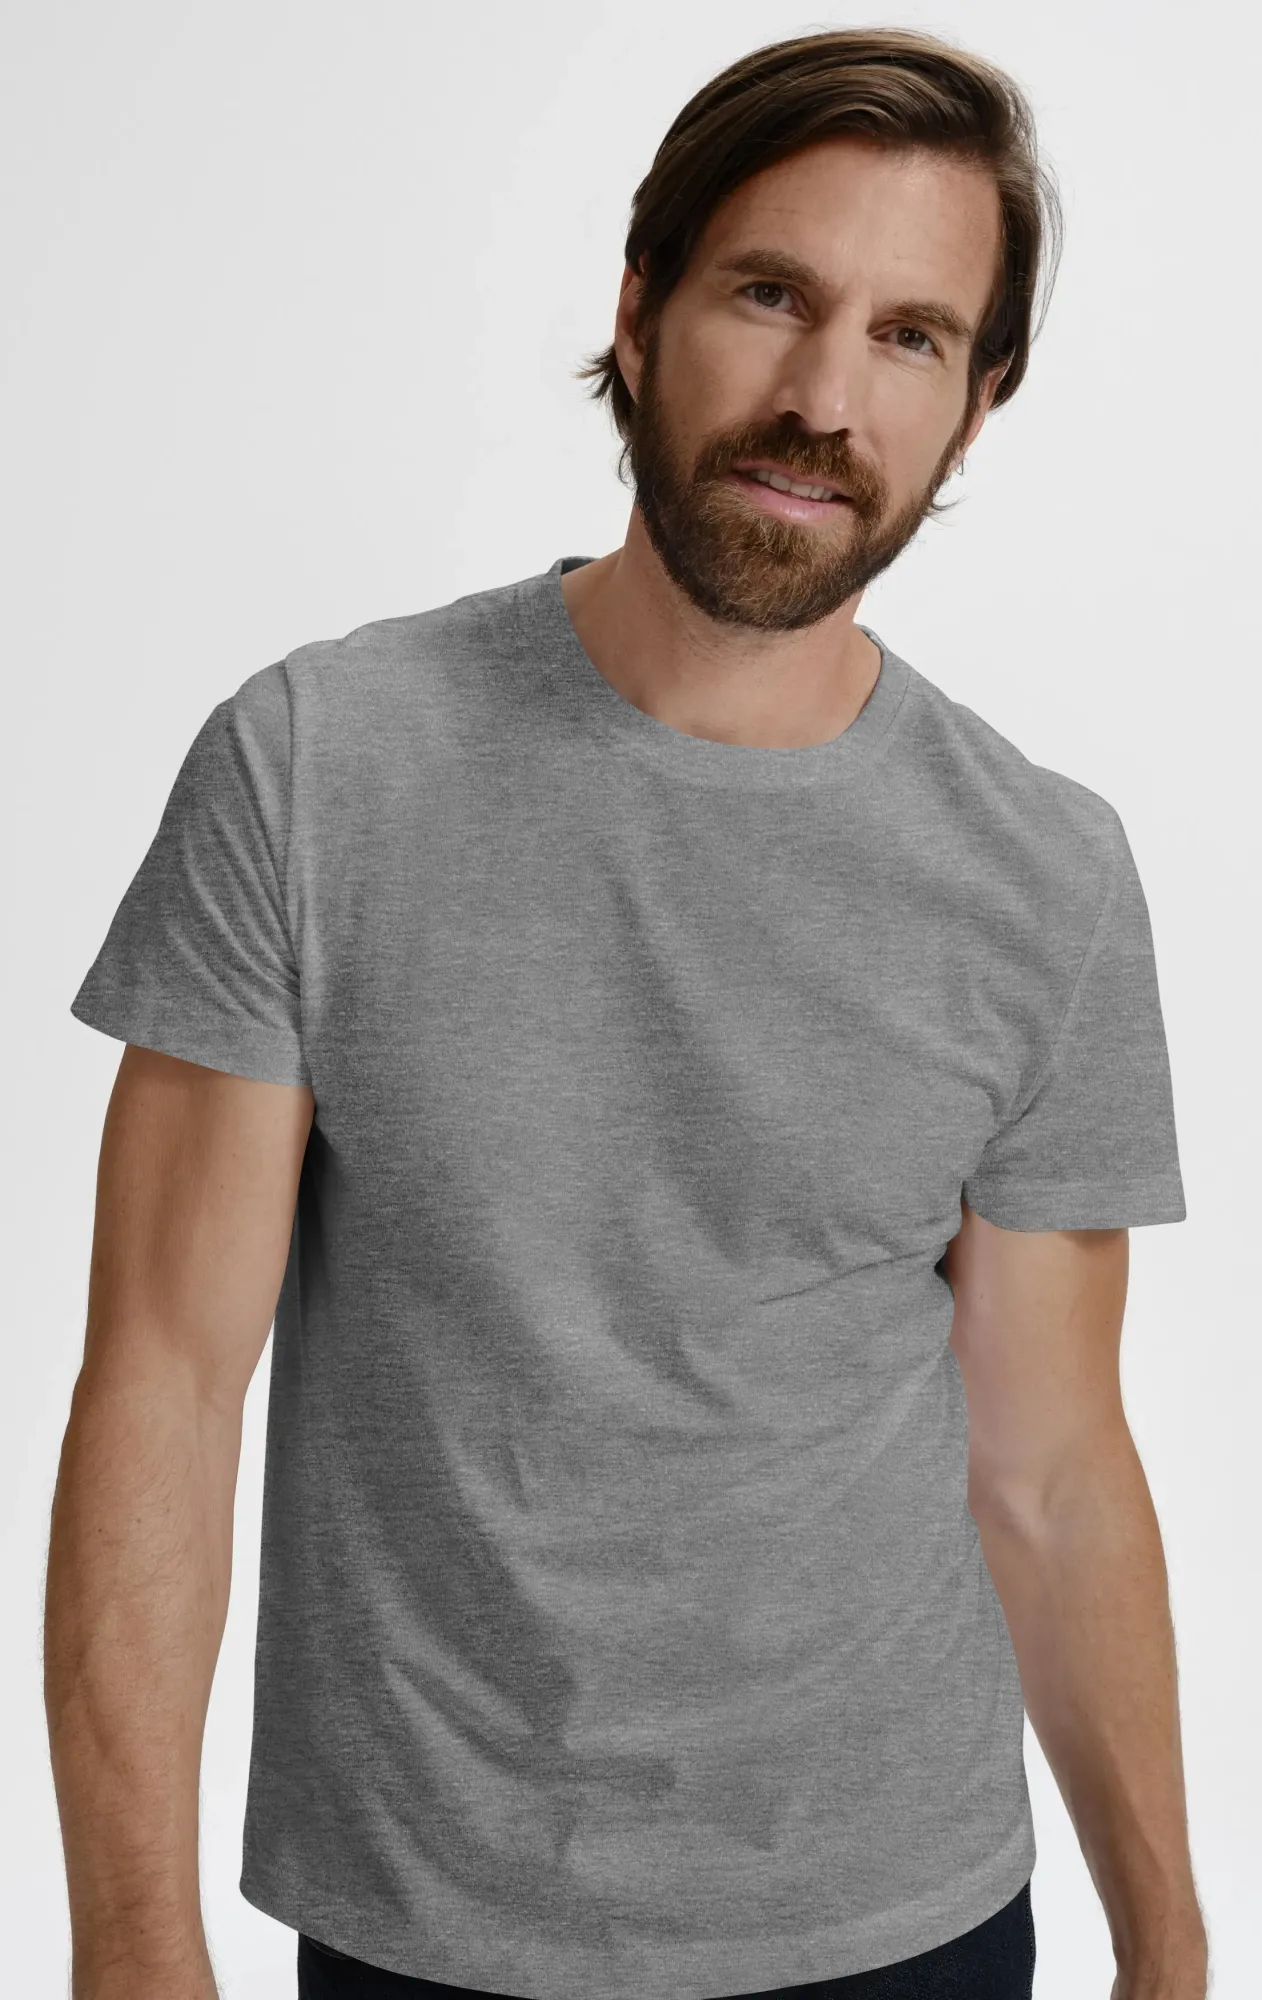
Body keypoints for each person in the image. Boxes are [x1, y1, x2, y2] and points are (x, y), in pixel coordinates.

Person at [44, 25, 1209, 2000]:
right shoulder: (317, 769)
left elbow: (1052, 1463)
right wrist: (132, 1946)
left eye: (910, 337)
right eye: (769, 295)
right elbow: (163, 1383)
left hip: (905, 1925)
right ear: (639, 304)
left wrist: (1169, 1946)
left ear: (977, 401)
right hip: (427, 1924)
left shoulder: (1043, 874)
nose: (822, 397)